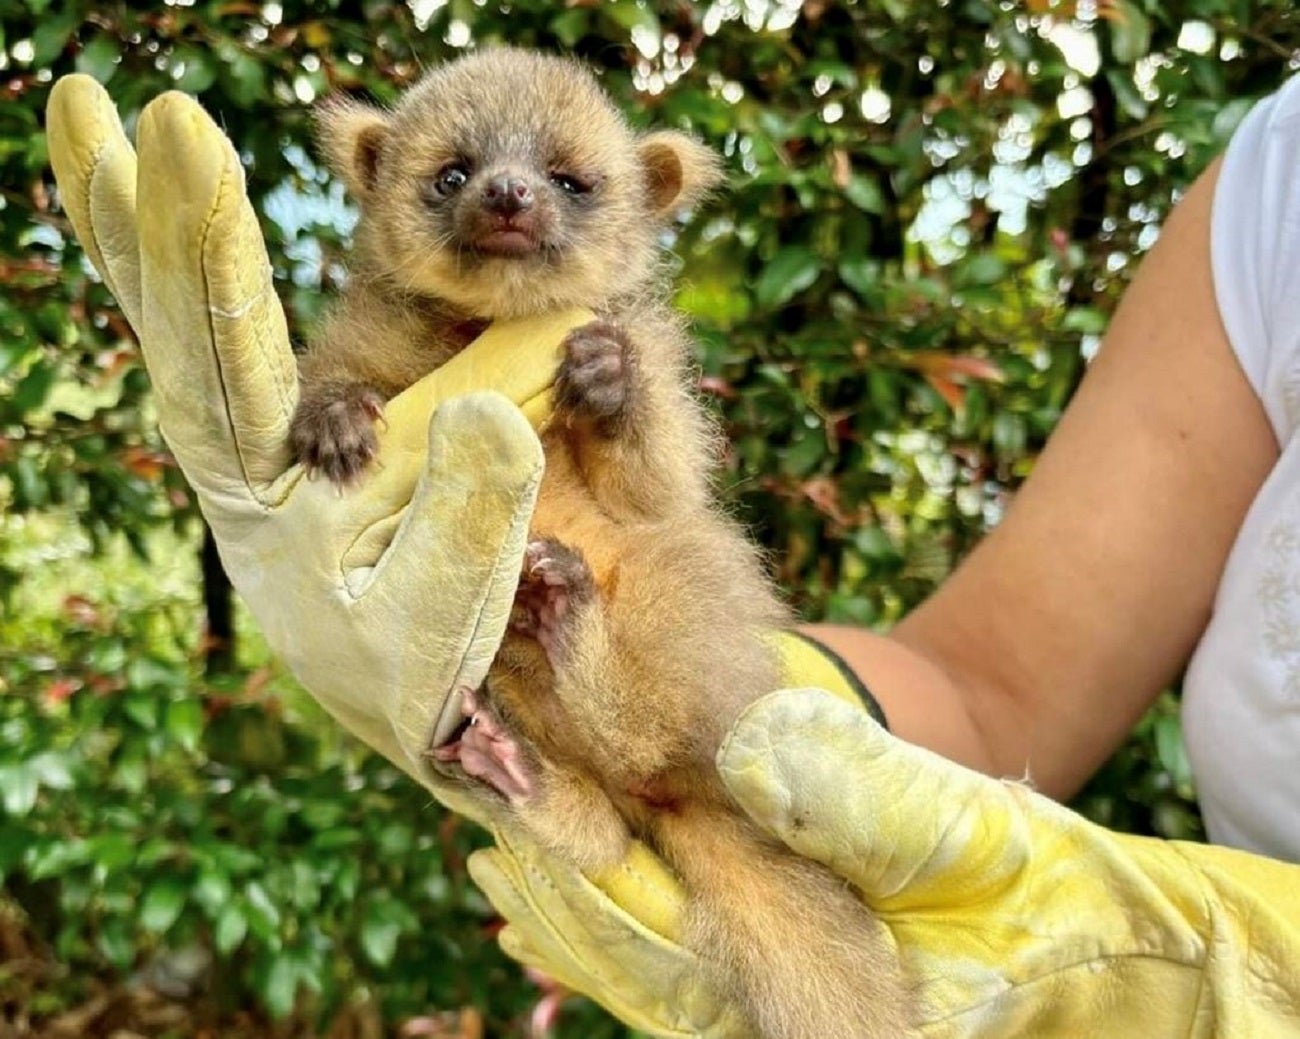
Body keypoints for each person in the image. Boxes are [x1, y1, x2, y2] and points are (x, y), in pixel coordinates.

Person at [46, 67, 1300, 1037]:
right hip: (587, 725)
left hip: (646, 656)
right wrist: (330, 415)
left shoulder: (619, 353)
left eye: (567, 182)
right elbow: (993, 683)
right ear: (370, 181)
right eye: (451, 175)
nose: (508, 193)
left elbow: (654, 497)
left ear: (648, 204)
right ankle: (555, 781)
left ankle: (582, 690)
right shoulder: (1272, 190)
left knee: (658, 586)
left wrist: (626, 401)